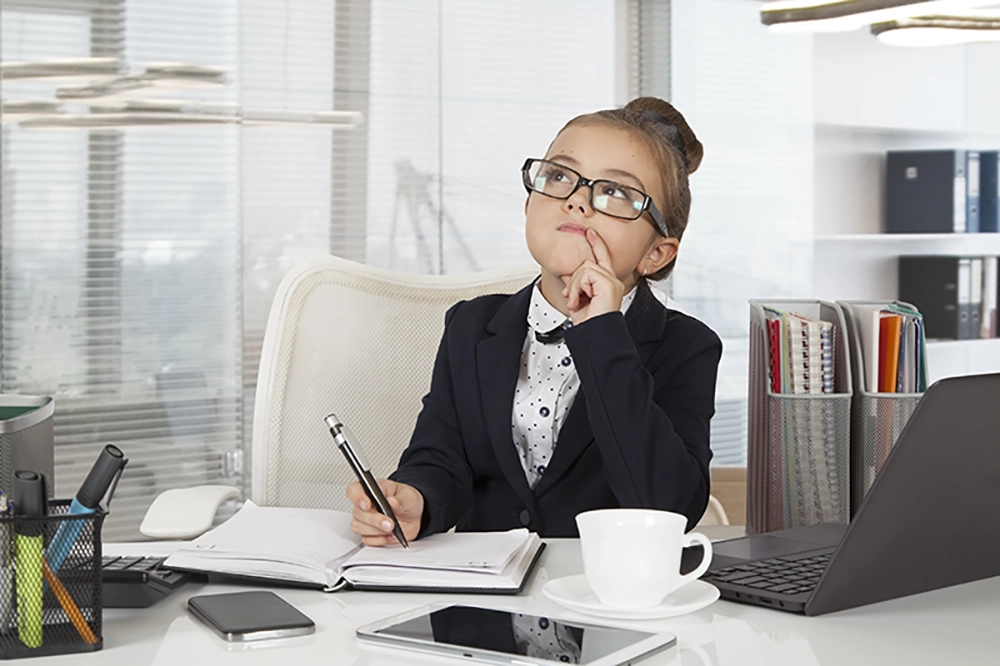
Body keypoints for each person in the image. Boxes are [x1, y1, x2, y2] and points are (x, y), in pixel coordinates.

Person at [348, 96, 722, 546]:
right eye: (560, 176)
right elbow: (441, 458)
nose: (577, 202)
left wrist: (601, 335)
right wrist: (416, 499)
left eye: (616, 192)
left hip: (608, 597)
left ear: (655, 253)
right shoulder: (470, 326)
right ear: (529, 207)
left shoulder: (687, 346)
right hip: (484, 598)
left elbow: (670, 504)